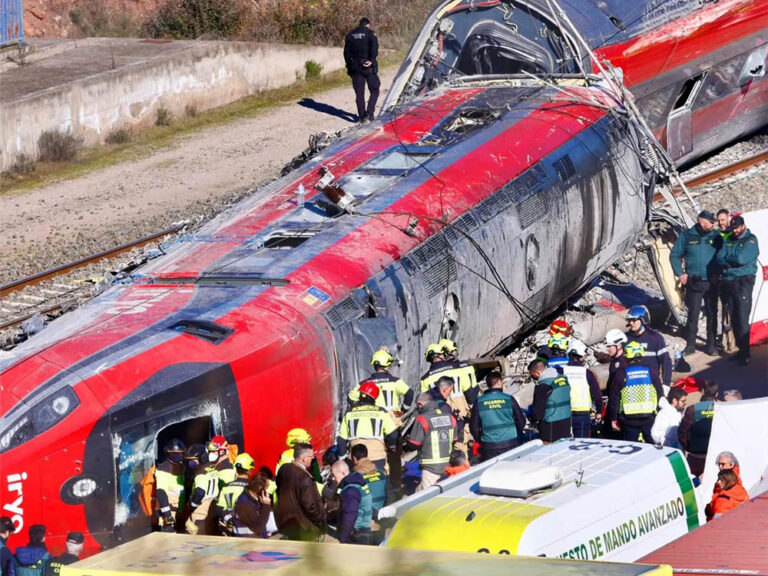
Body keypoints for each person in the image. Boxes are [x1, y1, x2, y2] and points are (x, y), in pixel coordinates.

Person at [670, 210, 721, 356]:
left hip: (712, 282)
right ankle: (690, 345)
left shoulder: (716, 236)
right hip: (694, 282)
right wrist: (680, 274)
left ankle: (711, 346)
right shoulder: (687, 236)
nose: (712, 224)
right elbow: (674, 255)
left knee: (712, 314)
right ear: (701, 222)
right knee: (693, 315)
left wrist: (719, 273)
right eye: (710, 222)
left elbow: (722, 255)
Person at [717, 215, 760, 365]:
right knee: (734, 318)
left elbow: (742, 259)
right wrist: (731, 258)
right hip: (729, 282)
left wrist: (729, 258)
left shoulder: (750, 240)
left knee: (742, 318)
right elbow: (719, 258)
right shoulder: (729, 240)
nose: (734, 231)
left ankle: (745, 353)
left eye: (736, 228)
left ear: (743, 226)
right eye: (733, 228)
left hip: (743, 283)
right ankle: (740, 351)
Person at [608, 341, 664, 443]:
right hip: (649, 419)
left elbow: (614, 398)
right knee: (652, 449)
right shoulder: (651, 373)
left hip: (628, 421)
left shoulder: (621, 375)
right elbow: (661, 395)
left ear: (626, 356)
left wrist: (613, 418)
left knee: (630, 450)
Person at [406, 388, 461, 490]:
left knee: (430, 496)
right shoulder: (450, 417)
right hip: (448, 464)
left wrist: (405, 443)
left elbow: (414, 444)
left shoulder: (422, 418)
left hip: (430, 466)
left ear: (420, 404)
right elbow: (454, 440)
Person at [337, 381, 398, 472]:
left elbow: (341, 439)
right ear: (374, 397)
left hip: (356, 459)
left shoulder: (350, 413)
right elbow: (393, 434)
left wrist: (342, 459)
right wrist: (391, 446)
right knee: (379, 482)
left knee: (357, 483)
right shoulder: (382, 412)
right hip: (377, 458)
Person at [275, 443, 327, 541]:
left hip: (287, 523)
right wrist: (320, 520)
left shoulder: (284, 469)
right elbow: (310, 506)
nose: (313, 459)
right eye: (311, 457)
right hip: (303, 527)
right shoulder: (304, 478)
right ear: (304, 458)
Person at [469, 370, 526, 460]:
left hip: (489, 445)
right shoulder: (509, 399)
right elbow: (521, 422)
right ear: (500, 382)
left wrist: (482, 440)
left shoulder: (479, 402)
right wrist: (515, 435)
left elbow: (473, 427)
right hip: (510, 443)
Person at [625, 305, 672, 387]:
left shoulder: (655, 338)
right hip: (631, 385)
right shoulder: (626, 338)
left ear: (643, 320)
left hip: (651, 384)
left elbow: (666, 361)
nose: (631, 323)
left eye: (633, 320)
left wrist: (666, 384)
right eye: (629, 320)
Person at [343, 17, 380, 123]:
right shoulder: (370, 34)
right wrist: (371, 60)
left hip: (355, 67)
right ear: (367, 25)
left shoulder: (350, 35)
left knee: (359, 93)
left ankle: (362, 117)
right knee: (374, 89)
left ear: (359, 24)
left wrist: (349, 67)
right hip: (368, 66)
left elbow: (346, 53)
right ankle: (370, 113)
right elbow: (374, 48)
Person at [564, 340, 603, 438]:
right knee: (581, 447)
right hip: (583, 416)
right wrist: (599, 410)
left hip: (565, 415)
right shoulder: (587, 373)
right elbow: (597, 394)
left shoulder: (562, 371)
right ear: (581, 357)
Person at [679, 380, 718, 477]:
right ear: (717, 394)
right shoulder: (722, 408)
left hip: (695, 457)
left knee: (690, 482)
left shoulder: (693, 409)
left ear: (703, 391)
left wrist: (689, 447)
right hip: (715, 456)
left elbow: (682, 432)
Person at [332, 460, 373, 545]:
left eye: (334, 475)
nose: (333, 478)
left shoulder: (350, 490)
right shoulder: (358, 483)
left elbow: (349, 516)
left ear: (343, 473)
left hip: (356, 534)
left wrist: (344, 538)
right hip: (364, 530)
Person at [529, 362, 572, 443]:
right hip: (566, 424)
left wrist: (531, 416)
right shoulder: (563, 379)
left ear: (537, 373)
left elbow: (538, 414)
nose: (533, 378)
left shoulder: (543, 385)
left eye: (532, 376)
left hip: (550, 429)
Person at [216, 453, 256, 535]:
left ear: (236, 469)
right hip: (251, 531)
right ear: (249, 471)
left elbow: (220, 509)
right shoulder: (254, 489)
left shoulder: (226, 488)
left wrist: (230, 520)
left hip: (230, 530)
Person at [185, 443, 219, 535]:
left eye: (193, 461)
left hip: (201, 508)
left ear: (202, 458)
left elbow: (200, 492)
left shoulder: (200, 474)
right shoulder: (212, 469)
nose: (190, 463)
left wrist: (192, 506)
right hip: (213, 505)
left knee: (191, 529)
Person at [154, 438, 185, 532]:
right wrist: (167, 515)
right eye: (174, 453)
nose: (177, 456)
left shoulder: (181, 467)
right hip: (168, 514)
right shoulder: (163, 469)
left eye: (180, 453)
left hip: (178, 512)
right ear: (168, 454)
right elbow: (161, 492)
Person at [350, 444, 388, 518]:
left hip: (366, 516)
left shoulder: (354, 477)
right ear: (366, 456)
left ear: (354, 458)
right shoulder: (381, 473)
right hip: (383, 513)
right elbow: (390, 494)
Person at [716, 209, 734, 352]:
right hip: (720, 276)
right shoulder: (718, 235)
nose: (721, 223)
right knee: (724, 308)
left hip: (732, 276)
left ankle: (732, 340)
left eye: (723, 220)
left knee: (732, 308)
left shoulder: (733, 234)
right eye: (719, 220)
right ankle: (723, 340)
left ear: (728, 218)